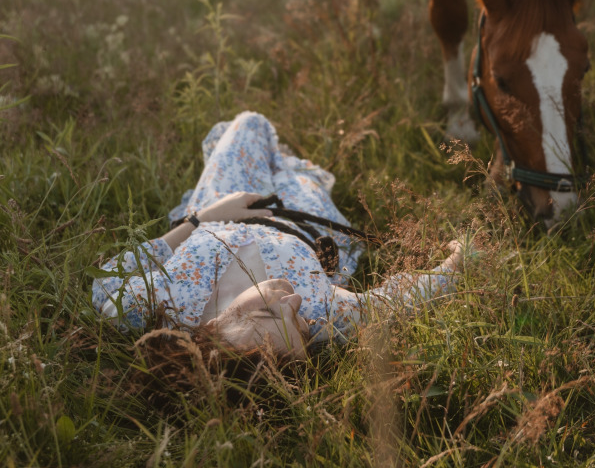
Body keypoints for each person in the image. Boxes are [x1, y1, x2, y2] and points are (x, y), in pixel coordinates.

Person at [92, 112, 464, 362]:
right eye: (300, 325)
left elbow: (108, 279)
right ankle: (285, 166)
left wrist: (199, 219)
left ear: (212, 329)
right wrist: (458, 263)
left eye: (270, 310)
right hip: (306, 223)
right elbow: (393, 302)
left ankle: (269, 164)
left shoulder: (161, 306)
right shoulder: (321, 315)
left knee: (250, 123)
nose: (296, 301)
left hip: (221, 207)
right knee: (304, 179)